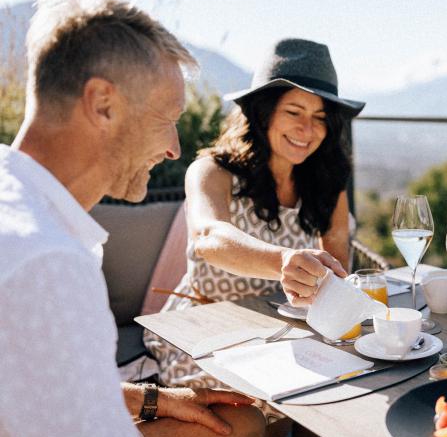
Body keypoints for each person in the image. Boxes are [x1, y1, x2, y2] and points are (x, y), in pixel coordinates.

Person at [0, 0, 267, 437]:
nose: (173, 149)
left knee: (244, 422)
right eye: (166, 121)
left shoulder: (18, 202)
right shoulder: (49, 266)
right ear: (103, 104)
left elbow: (32, 387)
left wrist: (154, 400)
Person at [144, 38, 366, 389]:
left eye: (320, 118)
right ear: (264, 112)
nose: (307, 130)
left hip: (286, 332)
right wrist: (284, 262)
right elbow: (209, 237)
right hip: (207, 328)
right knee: (253, 407)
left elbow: (336, 268)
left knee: (345, 386)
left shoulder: (328, 184)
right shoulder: (212, 170)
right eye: (294, 112)